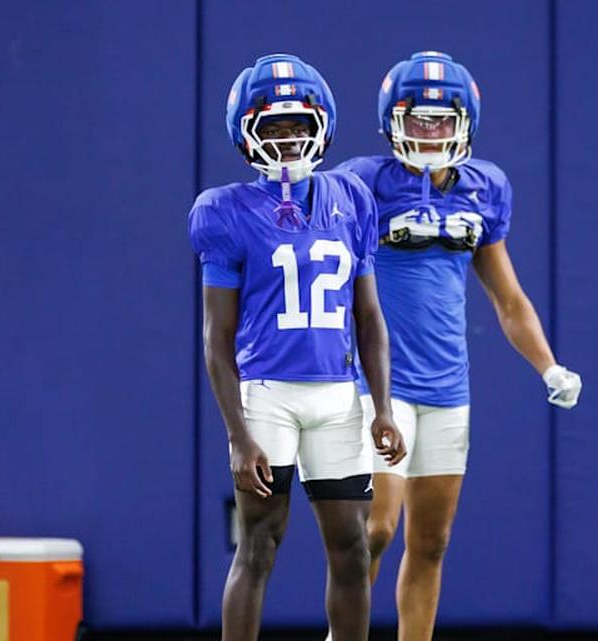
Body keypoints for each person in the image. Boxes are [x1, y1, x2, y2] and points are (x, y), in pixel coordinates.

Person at [328, 51, 582, 641]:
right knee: (375, 530)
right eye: (416, 119)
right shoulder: (362, 182)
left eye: (440, 120)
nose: (428, 131)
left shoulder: (484, 188)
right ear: (392, 120)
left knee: (432, 541)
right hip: (376, 385)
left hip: (447, 388)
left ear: (464, 121)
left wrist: (548, 367)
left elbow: (509, 299)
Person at [189, 53, 405, 641]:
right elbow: (218, 337)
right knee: (258, 545)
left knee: (354, 548)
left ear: (322, 127)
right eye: (273, 129)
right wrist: (238, 433)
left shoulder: (353, 198)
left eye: (299, 127)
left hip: (339, 395)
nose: (288, 141)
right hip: (268, 397)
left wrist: (382, 406)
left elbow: (369, 316)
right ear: (246, 135)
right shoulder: (224, 210)